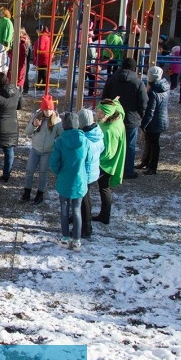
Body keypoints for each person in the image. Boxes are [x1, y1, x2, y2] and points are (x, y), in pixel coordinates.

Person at [101, 57, 147, 179]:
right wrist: (141, 116)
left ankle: (111, 168)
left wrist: (106, 114)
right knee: (130, 146)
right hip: (131, 119)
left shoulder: (111, 80)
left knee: (112, 144)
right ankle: (127, 171)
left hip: (113, 118)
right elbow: (143, 103)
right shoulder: (138, 83)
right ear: (134, 68)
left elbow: (104, 98)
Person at [51, 112, 88, 250]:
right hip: (79, 180)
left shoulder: (60, 141)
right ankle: (77, 241)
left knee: (64, 209)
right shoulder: (84, 141)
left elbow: (54, 161)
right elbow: (89, 159)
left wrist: (59, 172)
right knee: (77, 210)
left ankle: (65, 238)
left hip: (64, 180)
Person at [22, 95, 62, 205]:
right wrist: (34, 125)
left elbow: (61, 136)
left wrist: (54, 143)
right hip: (35, 149)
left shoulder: (57, 121)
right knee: (29, 171)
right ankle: (27, 192)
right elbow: (27, 132)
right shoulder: (37, 117)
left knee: (43, 173)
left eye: (50, 109)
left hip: (48, 151)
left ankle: (40, 193)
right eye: (46, 109)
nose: (48, 112)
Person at [93, 98, 126, 225]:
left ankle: (104, 216)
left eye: (102, 113)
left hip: (105, 164)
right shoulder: (117, 115)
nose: (98, 115)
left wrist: (92, 157)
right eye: (98, 111)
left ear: (109, 114)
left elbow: (108, 153)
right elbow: (118, 106)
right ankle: (104, 215)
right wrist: (115, 101)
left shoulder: (109, 130)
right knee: (104, 188)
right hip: (106, 163)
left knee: (104, 188)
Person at [138, 66, 170, 175]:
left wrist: (144, 124)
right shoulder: (164, 87)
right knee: (150, 142)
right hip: (161, 119)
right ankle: (146, 161)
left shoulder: (152, 92)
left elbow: (150, 111)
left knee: (153, 143)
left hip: (154, 121)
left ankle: (152, 167)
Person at [78, 108, 104, 238]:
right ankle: (83, 221)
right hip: (94, 171)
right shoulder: (97, 132)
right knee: (86, 198)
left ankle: (86, 227)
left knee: (84, 200)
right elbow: (102, 149)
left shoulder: (85, 139)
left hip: (86, 172)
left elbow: (82, 157)